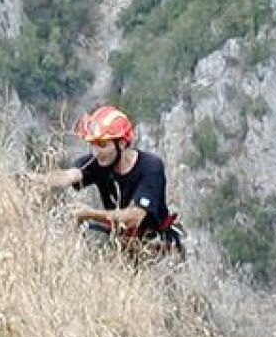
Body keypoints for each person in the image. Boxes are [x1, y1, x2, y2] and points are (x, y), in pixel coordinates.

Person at [30, 105, 183, 256]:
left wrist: (89, 213)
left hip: (157, 248)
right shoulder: (98, 163)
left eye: (102, 146)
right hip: (123, 246)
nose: (96, 153)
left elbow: (133, 218)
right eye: (93, 146)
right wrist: (38, 180)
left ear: (121, 144)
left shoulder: (150, 167)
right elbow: (69, 176)